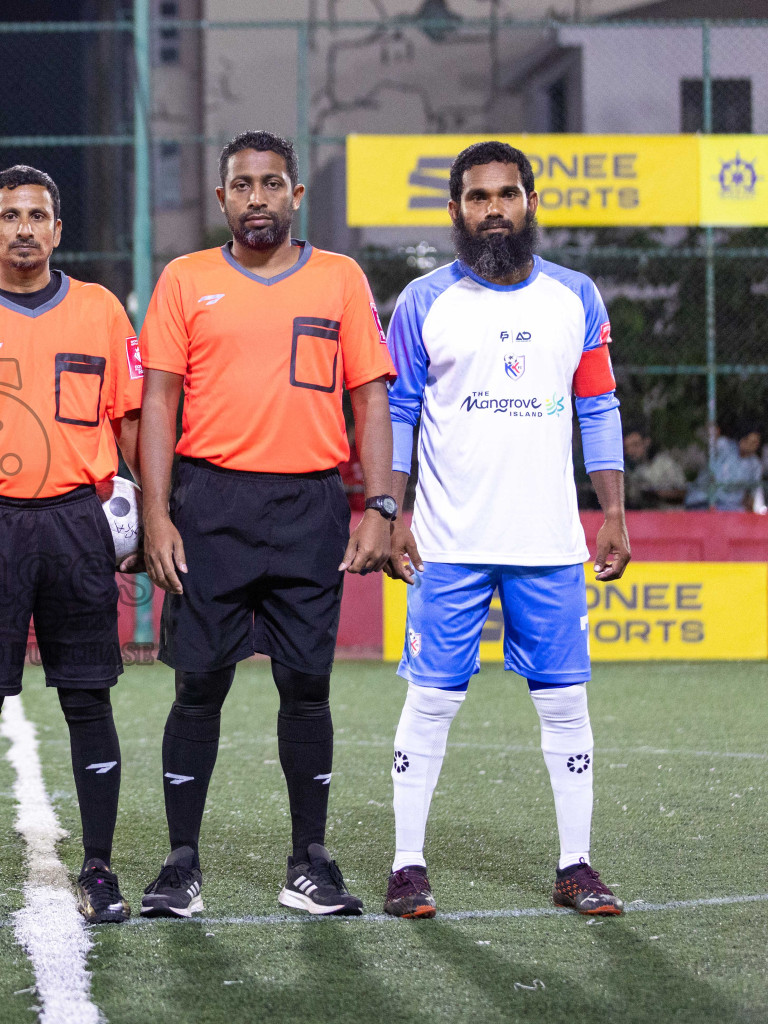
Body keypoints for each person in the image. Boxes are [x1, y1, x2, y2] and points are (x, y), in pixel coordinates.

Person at [137, 130, 396, 918]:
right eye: (243, 185)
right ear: (222, 199)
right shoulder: (185, 279)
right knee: (199, 686)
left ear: (295, 196)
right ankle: (181, 863)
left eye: (273, 183)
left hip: (311, 504)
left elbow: (371, 395)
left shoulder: (340, 278)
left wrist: (380, 504)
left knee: (306, 686)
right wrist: (155, 514)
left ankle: (309, 861)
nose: (259, 197)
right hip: (208, 505)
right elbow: (157, 401)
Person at [382, 140, 629, 919]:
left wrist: (613, 511)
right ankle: (407, 865)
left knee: (565, 704)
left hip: (548, 543)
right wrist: (393, 513)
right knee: (431, 700)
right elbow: (397, 412)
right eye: (478, 196)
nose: (494, 209)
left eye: (508, 194)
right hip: (449, 542)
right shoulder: (424, 301)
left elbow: (598, 405)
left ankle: (576, 866)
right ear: (455, 209)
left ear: (529, 203)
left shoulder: (576, 297)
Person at [0, 165, 143, 924]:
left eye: (37, 214)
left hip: (78, 522)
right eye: (8, 215)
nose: (23, 227)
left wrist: (145, 520)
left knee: (88, 697)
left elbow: (131, 422)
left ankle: (101, 867)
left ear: (56, 228)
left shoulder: (102, 312)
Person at [623, 430, 687, 510]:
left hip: (670, 516)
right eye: (627, 448)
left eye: (635, 445)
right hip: (645, 518)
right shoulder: (634, 470)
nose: (631, 451)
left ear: (646, 442)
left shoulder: (665, 464)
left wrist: (655, 494)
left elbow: (681, 493)